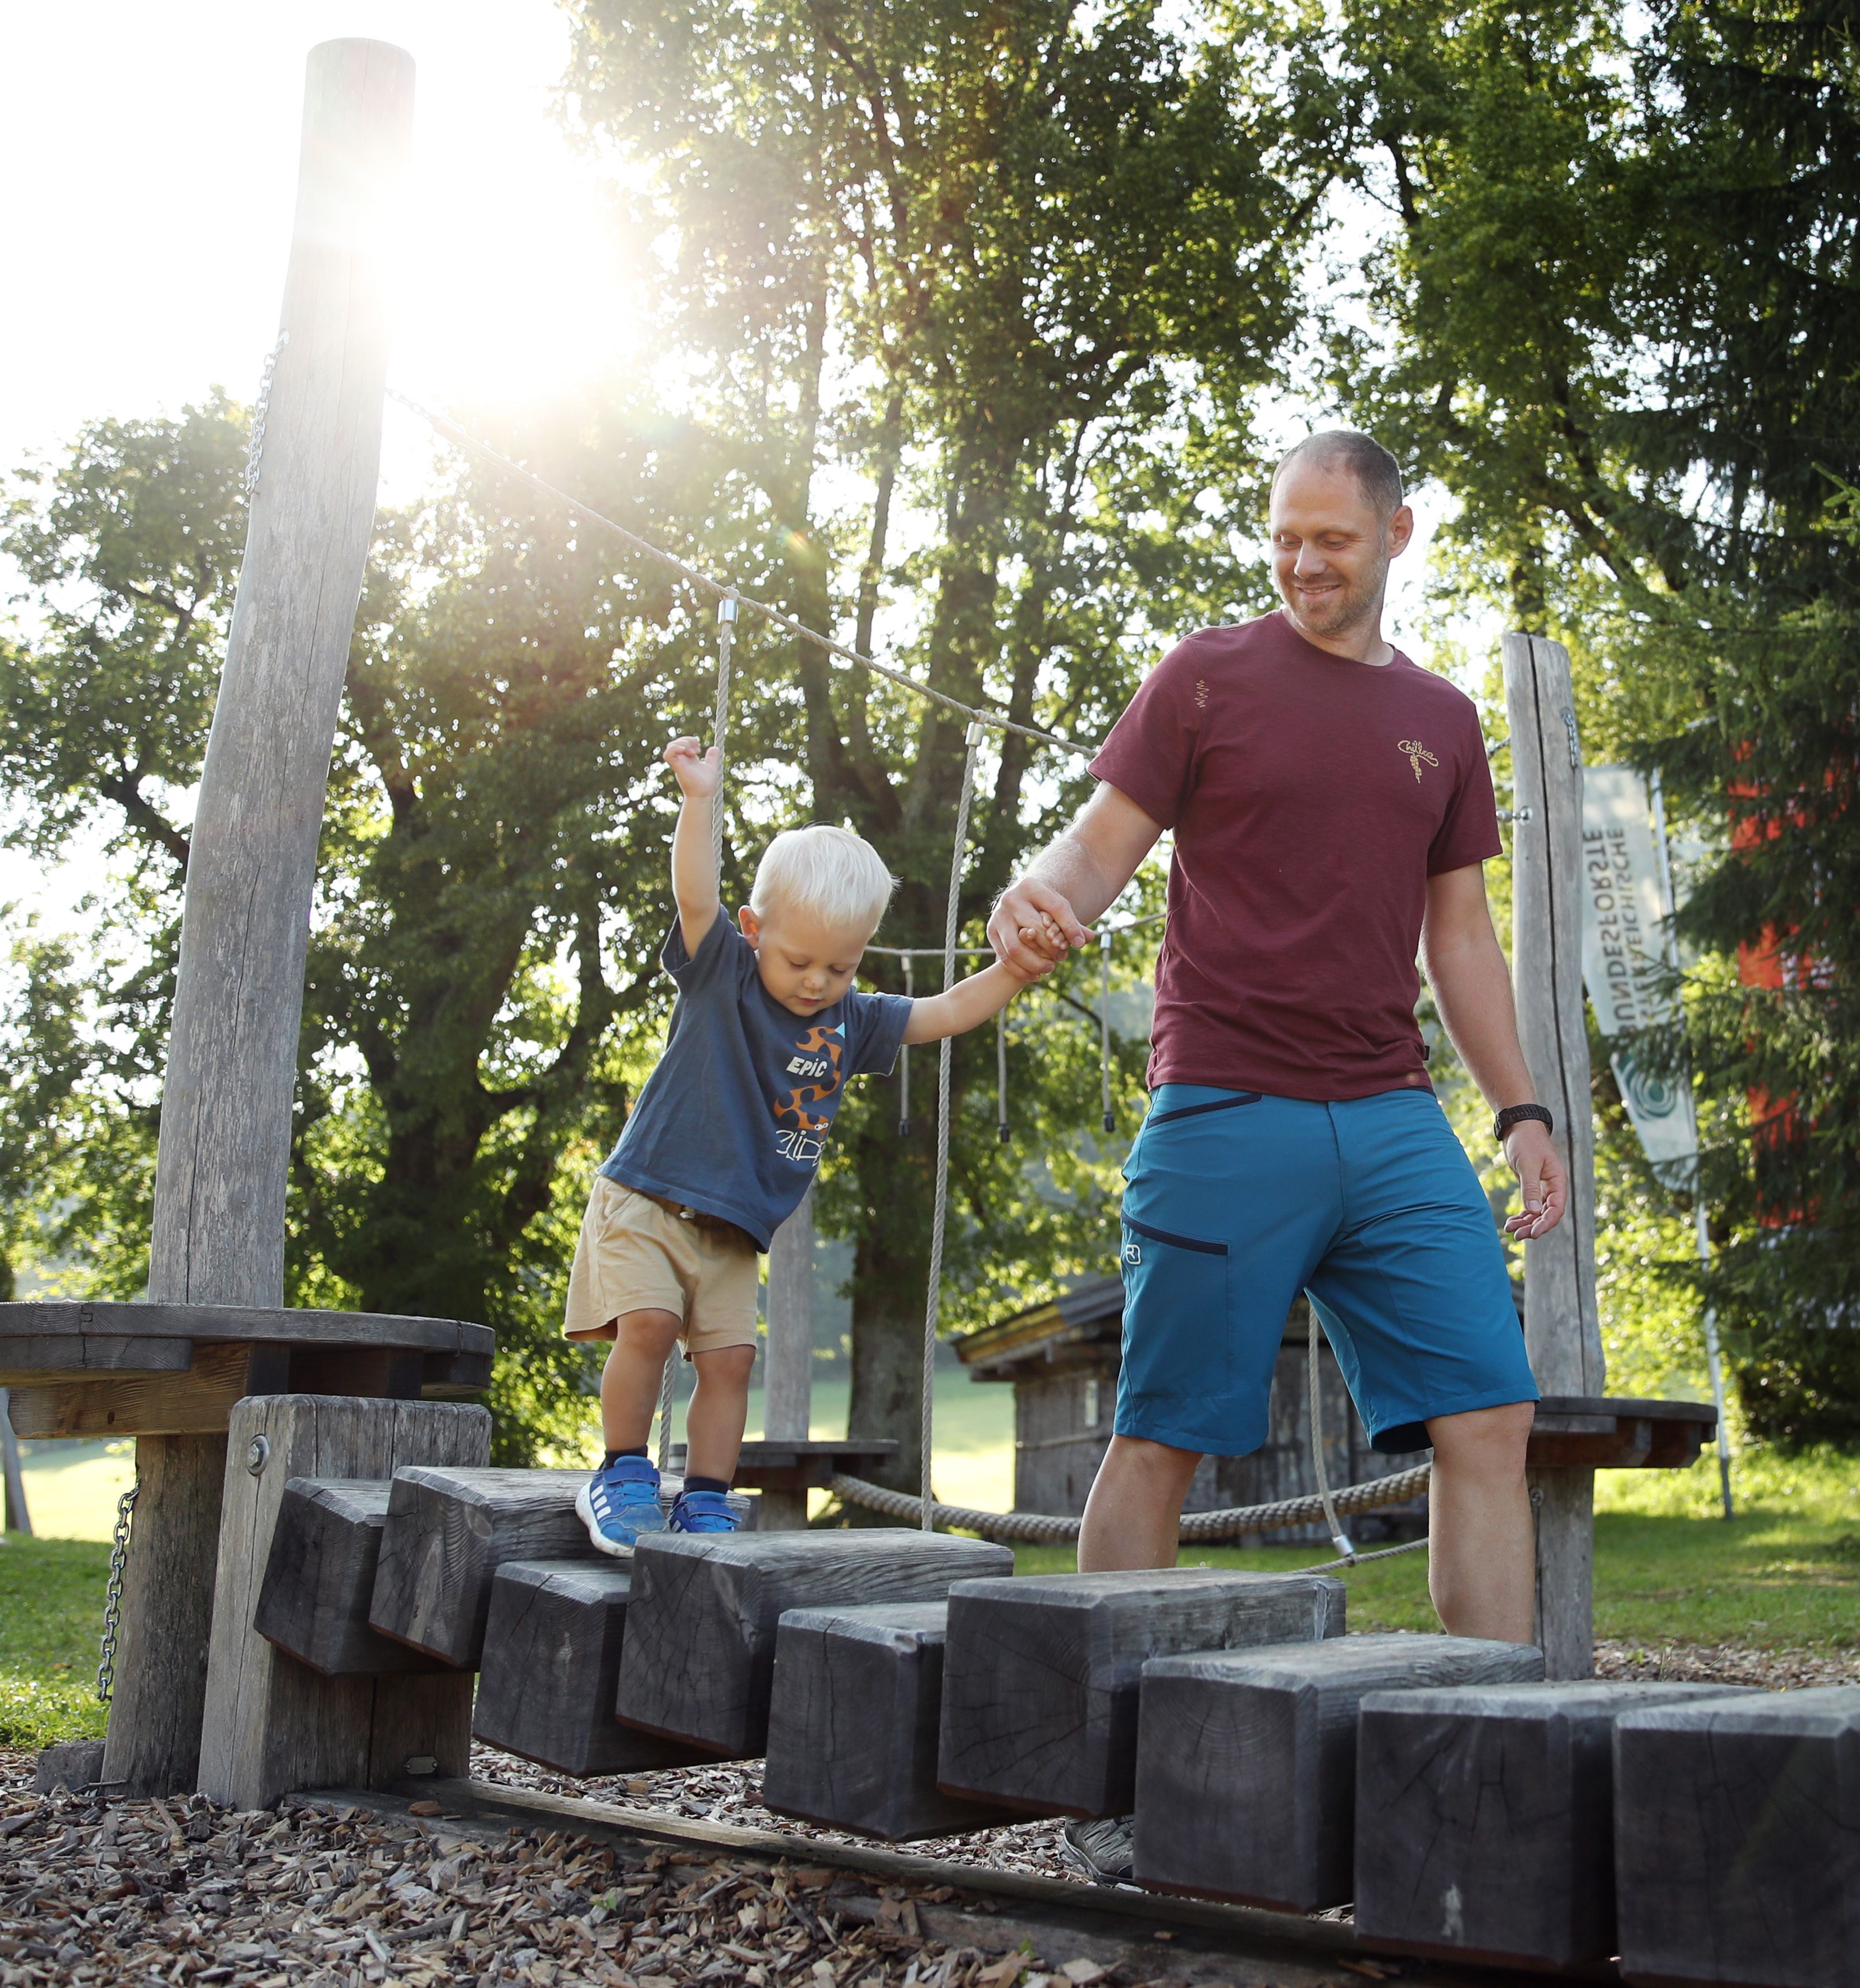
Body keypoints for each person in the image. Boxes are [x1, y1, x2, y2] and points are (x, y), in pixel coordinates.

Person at [990, 429, 1570, 1873]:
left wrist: (1522, 1108)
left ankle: (1482, 1762)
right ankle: (1113, 1787)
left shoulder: (1440, 718)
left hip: (1390, 1115)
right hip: (1226, 1104)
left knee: (1488, 1417)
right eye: (1287, 536)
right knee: (1168, 1429)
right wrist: (1036, 892)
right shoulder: (1205, 677)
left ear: (1399, 534)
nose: (1306, 561)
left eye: (1335, 538)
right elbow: (1100, 843)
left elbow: (1462, 939)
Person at [571, 736, 1039, 1554]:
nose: (819, 981)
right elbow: (693, 895)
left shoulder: (849, 1020)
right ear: (756, 930)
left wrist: (1014, 972)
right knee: (645, 1326)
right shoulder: (726, 971)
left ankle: (708, 1498)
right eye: (801, 960)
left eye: (843, 965)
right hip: (648, 1196)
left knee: (728, 1365)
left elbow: (942, 1014)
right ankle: (620, 1473)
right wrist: (698, 802)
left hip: (732, 1231)